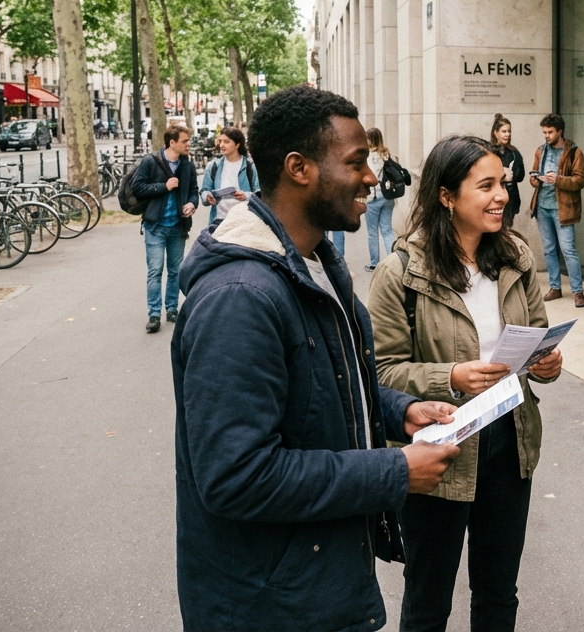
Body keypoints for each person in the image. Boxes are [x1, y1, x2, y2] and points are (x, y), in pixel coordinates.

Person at [171, 85, 459, 631]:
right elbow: (237, 475)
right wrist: (393, 470)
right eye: (356, 162)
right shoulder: (241, 297)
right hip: (269, 607)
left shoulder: (313, 263)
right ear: (299, 168)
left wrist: (396, 410)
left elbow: (319, 387)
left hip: (312, 587)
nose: (372, 177)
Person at [368, 134, 563, 632]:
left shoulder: (516, 257)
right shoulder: (401, 273)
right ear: (447, 196)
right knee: (428, 599)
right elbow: (382, 373)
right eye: (486, 185)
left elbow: (537, 338)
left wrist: (547, 363)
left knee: (498, 593)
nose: (501, 195)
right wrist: (449, 377)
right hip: (440, 447)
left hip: (510, 443)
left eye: (504, 183)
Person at [131, 122, 198, 333]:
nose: (188, 144)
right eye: (185, 141)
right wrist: (164, 186)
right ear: (172, 143)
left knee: (176, 270)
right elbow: (137, 187)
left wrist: (191, 204)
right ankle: (154, 314)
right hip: (155, 226)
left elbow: (194, 191)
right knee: (155, 270)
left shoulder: (187, 165)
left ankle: (171, 308)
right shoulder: (151, 161)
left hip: (178, 226)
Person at [529, 112, 584, 308]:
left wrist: (558, 180)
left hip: (563, 209)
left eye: (550, 132)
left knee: (568, 250)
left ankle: (578, 291)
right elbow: (532, 175)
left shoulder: (574, 152)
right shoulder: (540, 151)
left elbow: (580, 180)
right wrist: (535, 179)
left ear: (560, 131)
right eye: (544, 132)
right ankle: (555, 287)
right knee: (549, 250)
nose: (546, 136)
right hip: (542, 207)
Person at [199, 126, 259, 225]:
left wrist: (245, 195)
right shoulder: (213, 166)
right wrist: (208, 197)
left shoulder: (250, 166)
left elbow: (259, 194)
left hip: (244, 222)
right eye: (220, 141)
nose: (221, 145)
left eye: (226, 142)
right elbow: (204, 190)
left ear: (237, 144)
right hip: (219, 222)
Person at [364, 127, 398, 271]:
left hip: (373, 197)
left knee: (372, 232)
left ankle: (374, 264)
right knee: (387, 230)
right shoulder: (386, 153)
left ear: (371, 139)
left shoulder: (368, 156)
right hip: (388, 196)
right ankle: (396, 263)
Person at [491, 113, 525, 229]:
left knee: (507, 230)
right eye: (504, 131)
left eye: (509, 131)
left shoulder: (514, 152)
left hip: (510, 199)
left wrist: (512, 174)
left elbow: (521, 176)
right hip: (493, 198)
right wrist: (501, 175)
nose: (507, 134)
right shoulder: (488, 151)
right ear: (496, 132)